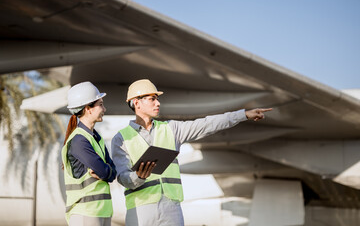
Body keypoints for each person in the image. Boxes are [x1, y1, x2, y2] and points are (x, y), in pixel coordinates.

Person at [111, 79, 272, 226]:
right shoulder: (121, 139)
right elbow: (123, 178)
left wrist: (242, 115)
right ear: (137, 103)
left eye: (157, 98)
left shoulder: (172, 128)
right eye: (152, 99)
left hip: (171, 208)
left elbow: (207, 124)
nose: (158, 103)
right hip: (140, 210)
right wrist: (139, 177)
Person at [61, 81, 117, 226]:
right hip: (85, 213)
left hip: (101, 211)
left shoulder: (96, 138)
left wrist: (108, 172)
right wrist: (107, 171)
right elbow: (105, 172)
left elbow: (111, 172)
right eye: (101, 104)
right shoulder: (79, 141)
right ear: (88, 109)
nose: (104, 108)